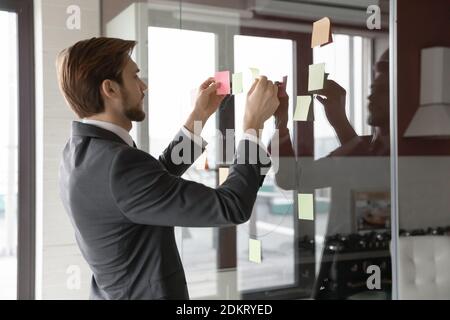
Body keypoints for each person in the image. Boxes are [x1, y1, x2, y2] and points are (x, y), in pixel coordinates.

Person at [57, 37, 280, 300]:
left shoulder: (81, 151)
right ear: (110, 89)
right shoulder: (116, 164)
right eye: (135, 76)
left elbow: (150, 189)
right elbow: (231, 206)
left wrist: (198, 117)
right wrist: (253, 125)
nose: (144, 86)